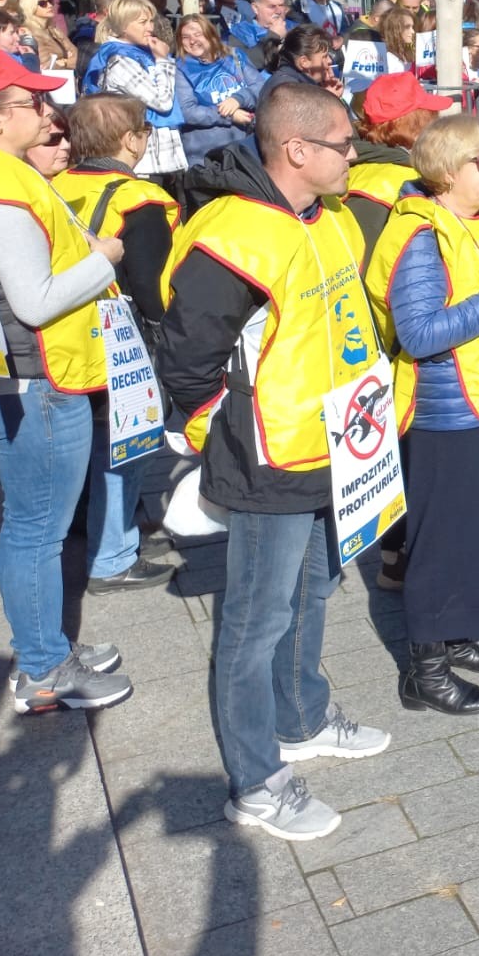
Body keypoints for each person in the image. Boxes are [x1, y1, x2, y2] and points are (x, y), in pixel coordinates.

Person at [157, 81, 392, 841]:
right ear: (297, 150)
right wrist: (214, 435)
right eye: (343, 145)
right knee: (255, 623)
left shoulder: (327, 218)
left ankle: (303, 718)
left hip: (333, 444)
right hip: (269, 457)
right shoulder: (235, 234)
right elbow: (188, 356)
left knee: (316, 590)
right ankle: (254, 781)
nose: (355, 156)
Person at [0, 50, 136, 715]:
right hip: (36, 380)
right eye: (33, 103)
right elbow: (35, 302)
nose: (47, 112)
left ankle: (47, 645)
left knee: (32, 523)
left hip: (14, 375)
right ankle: (42, 671)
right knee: (37, 527)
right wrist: (104, 259)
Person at [364, 114, 479, 713]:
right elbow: (418, 332)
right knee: (441, 540)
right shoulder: (421, 234)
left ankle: (458, 634)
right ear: (445, 173)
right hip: (444, 410)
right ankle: (425, 670)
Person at [52, 92, 182, 592]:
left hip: (70, 329)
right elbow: (151, 286)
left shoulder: (55, 184)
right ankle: (114, 555)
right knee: (127, 445)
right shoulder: (141, 199)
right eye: (145, 130)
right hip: (122, 339)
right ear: (132, 140)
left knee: (94, 438)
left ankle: (101, 525)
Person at [82, 0, 188, 184]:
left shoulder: (141, 53)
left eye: (150, 21)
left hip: (156, 159)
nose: (150, 28)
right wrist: (163, 61)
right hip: (143, 162)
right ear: (123, 26)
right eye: (142, 22)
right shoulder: (121, 60)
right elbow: (162, 101)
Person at [345, 71, 453, 259]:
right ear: (413, 124)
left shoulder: (371, 162)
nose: (436, 123)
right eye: (430, 117)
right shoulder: (390, 185)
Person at [175, 12, 261, 160]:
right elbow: (187, 111)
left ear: (211, 35)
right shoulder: (180, 68)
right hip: (206, 155)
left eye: (198, 34)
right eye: (185, 37)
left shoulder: (235, 56)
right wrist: (228, 115)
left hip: (245, 146)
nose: (192, 41)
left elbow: (260, 86)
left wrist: (238, 99)